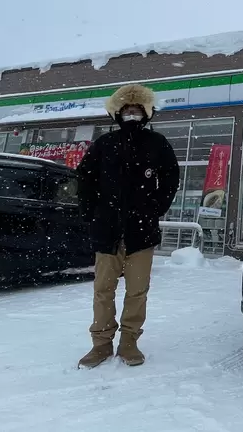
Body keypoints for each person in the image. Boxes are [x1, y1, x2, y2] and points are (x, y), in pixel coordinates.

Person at [76, 84, 180, 368]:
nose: (131, 115)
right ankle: (100, 344)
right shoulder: (104, 144)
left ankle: (129, 342)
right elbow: (84, 178)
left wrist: (155, 208)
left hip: (142, 234)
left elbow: (171, 178)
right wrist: (91, 213)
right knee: (103, 291)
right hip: (107, 231)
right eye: (126, 110)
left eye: (136, 110)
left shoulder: (157, 143)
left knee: (137, 292)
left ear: (146, 113)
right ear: (117, 114)